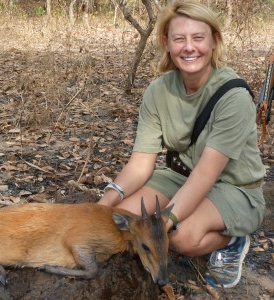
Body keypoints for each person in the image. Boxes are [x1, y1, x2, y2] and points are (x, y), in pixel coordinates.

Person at [98, 0, 265, 289]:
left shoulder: (233, 96)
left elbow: (206, 174)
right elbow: (140, 164)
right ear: (167, 43)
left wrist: (166, 220)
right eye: (179, 39)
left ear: (214, 40)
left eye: (198, 38)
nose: (189, 47)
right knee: (123, 221)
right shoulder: (157, 91)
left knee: (178, 236)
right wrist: (101, 206)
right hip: (180, 176)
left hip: (235, 187)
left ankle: (233, 239)